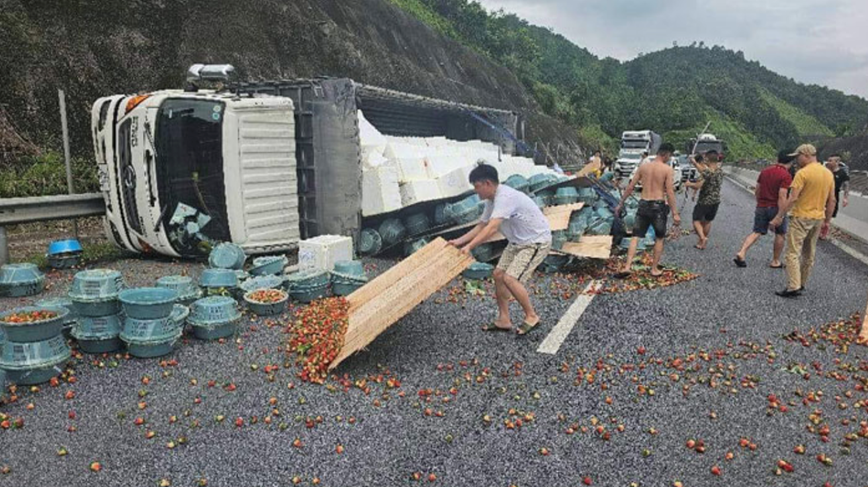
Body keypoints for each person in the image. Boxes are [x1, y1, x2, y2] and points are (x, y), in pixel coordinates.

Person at [448, 164, 552, 334]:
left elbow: (492, 228)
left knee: (510, 278)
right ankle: (504, 319)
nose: (476, 191)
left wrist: (469, 247)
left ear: (487, 183)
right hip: (517, 242)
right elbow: (482, 225)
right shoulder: (492, 200)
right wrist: (458, 242)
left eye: (477, 186)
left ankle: (532, 316)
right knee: (498, 275)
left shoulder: (505, 197)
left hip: (536, 241)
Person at [770, 144, 835, 298]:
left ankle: (793, 286)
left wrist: (779, 216)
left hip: (801, 216)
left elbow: (793, 198)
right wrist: (827, 221)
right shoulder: (828, 174)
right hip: (818, 218)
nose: (796, 160)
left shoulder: (802, 173)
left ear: (805, 155)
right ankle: (802, 283)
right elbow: (832, 200)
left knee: (792, 252)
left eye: (798, 156)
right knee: (809, 253)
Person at [614, 143, 681, 278]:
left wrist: (620, 203)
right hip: (658, 206)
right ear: (666, 154)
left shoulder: (643, 167)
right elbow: (669, 192)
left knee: (635, 236)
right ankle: (654, 269)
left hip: (643, 204)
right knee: (659, 237)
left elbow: (630, 186)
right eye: (670, 156)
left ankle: (627, 267)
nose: (669, 158)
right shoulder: (667, 169)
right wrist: (675, 213)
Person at [733, 149, 795, 268]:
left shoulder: (765, 171)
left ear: (778, 159)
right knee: (780, 234)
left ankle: (742, 252)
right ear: (791, 162)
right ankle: (776, 261)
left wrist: (760, 203)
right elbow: (782, 196)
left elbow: (757, 190)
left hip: (762, 206)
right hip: (776, 208)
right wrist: (780, 215)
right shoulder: (786, 175)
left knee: (757, 232)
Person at [685, 150, 724, 249]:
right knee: (707, 221)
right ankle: (702, 241)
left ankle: (702, 238)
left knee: (696, 220)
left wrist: (689, 184)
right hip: (716, 201)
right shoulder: (720, 171)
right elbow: (703, 171)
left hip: (705, 200)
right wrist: (695, 163)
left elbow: (700, 180)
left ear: (707, 159)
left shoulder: (709, 173)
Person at [820, 154, 850, 239]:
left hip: (834, 195)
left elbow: (846, 185)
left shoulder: (842, 173)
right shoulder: (825, 171)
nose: (828, 162)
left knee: (829, 215)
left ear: (837, 162)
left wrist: (845, 198)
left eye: (830, 161)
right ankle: (819, 229)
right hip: (822, 194)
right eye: (828, 160)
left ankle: (824, 230)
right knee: (820, 213)